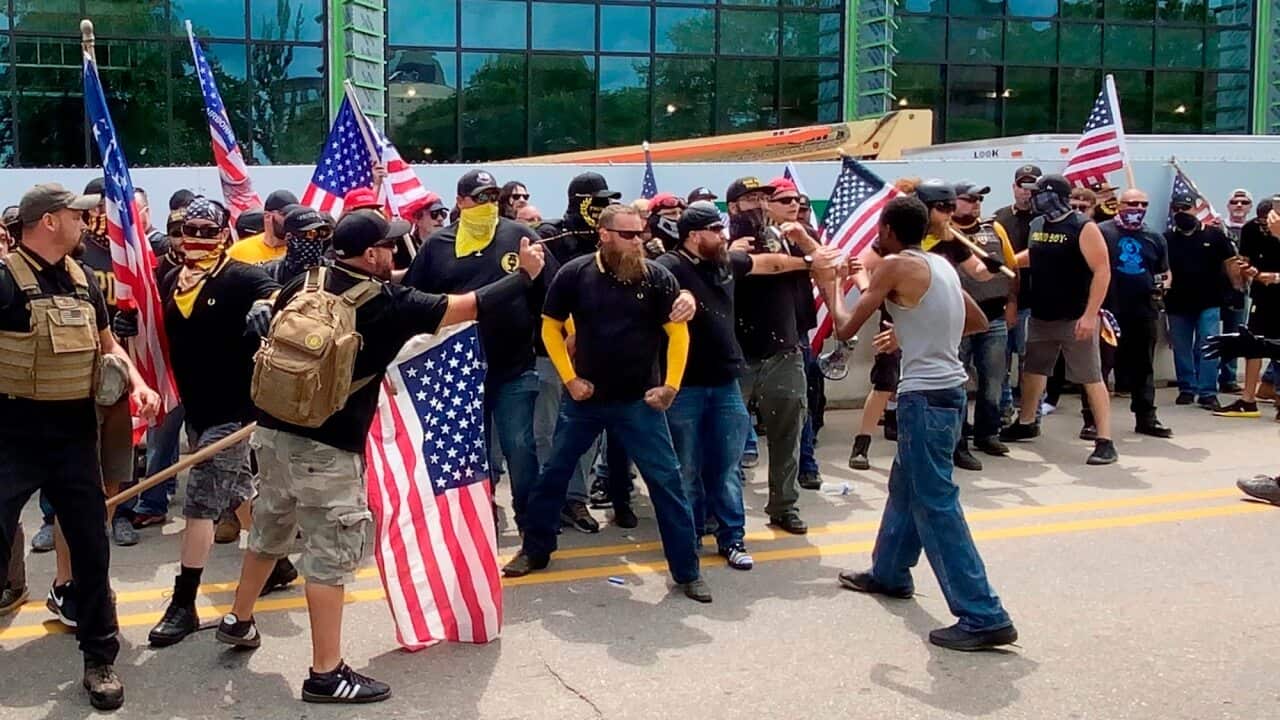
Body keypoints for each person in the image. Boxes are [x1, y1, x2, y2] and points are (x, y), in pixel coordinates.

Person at [216, 208, 545, 704]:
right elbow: (472, 305)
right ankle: (326, 673)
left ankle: (238, 620)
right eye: (388, 246)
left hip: (273, 435)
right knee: (328, 559)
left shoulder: (308, 280)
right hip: (326, 450)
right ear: (371, 254)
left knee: (268, 531)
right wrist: (524, 276)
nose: (394, 251)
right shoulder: (388, 303)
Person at [817, 195, 1017, 651]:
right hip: (946, 392)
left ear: (887, 229)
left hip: (923, 398)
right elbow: (977, 320)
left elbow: (846, 328)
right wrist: (912, 332)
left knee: (935, 503)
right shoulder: (938, 265)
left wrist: (827, 284)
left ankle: (984, 613)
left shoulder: (894, 265)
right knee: (906, 487)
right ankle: (889, 571)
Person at [0, 182, 162, 710]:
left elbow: (108, 343)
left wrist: (137, 383)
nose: (85, 224)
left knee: (92, 551)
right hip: (12, 436)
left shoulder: (83, 280)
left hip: (73, 435)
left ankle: (100, 658)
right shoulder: (3, 281)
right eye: (76, 215)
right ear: (48, 221)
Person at [502, 204, 712, 603]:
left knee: (667, 484)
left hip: (639, 402)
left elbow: (678, 333)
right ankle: (535, 550)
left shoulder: (657, 277)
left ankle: (688, 570)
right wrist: (569, 378)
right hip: (585, 400)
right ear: (604, 234)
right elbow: (548, 327)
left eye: (641, 234)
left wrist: (670, 386)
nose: (638, 242)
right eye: (628, 235)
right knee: (553, 477)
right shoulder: (575, 274)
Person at [125, 197, 287, 648]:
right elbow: (140, 307)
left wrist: (270, 305)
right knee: (235, 492)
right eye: (187, 230)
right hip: (197, 411)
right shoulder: (170, 278)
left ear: (223, 234)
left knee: (200, 501)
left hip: (236, 414)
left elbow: (284, 291)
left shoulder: (238, 276)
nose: (196, 239)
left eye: (206, 230)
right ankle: (280, 563)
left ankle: (184, 602)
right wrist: (125, 321)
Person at [657, 201, 824, 570]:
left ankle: (731, 539)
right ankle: (690, 536)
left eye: (721, 229)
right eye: (714, 231)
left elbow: (770, 264)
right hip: (684, 386)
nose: (722, 235)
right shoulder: (668, 268)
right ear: (693, 235)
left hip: (725, 383)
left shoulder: (725, 262)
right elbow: (653, 301)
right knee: (686, 467)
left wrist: (810, 263)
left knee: (727, 465)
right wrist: (680, 299)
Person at [405, 169, 554, 533]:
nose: (488, 204)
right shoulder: (437, 245)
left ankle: (533, 532)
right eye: (479, 197)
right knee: (468, 456)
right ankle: (474, 527)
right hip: (457, 372)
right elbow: (414, 303)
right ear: (460, 201)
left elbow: (550, 294)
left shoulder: (520, 235)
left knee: (520, 449)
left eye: (493, 197)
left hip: (513, 367)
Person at [1000, 174, 1117, 465]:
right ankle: (1027, 422)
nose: (1032, 197)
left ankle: (1105, 440)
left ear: (1052, 195)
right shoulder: (1038, 225)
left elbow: (1102, 271)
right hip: (1042, 315)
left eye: (1037, 193)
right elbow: (1037, 255)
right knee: (1034, 372)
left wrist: (1090, 316)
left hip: (1074, 317)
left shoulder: (1082, 227)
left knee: (1090, 377)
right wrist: (1010, 261)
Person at [730, 176, 821, 531]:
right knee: (728, 443)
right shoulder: (718, 239)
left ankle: (784, 506)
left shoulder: (785, 237)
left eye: (764, 199)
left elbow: (825, 262)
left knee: (788, 434)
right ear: (734, 206)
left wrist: (802, 241)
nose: (759, 205)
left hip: (784, 347)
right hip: (736, 354)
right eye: (750, 199)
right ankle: (724, 514)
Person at [951, 180, 1020, 456]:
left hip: (994, 317)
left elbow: (1012, 268)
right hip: (959, 319)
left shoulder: (994, 229)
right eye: (969, 199)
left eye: (979, 199)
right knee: (956, 381)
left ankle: (988, 433)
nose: (976, 203)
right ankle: (957, 439)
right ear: (953, 201)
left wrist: (1013, 304)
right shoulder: (944, 235)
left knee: (993, 379)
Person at [1099, 188, 1173, 437]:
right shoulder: (1102, 232)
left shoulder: (1154, 237)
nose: (1138, 209)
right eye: (1132, 203)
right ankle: (1093, 420)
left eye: (1143, 204)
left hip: (1143, 311)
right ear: (1119, 205)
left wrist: (1163, 286)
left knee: (1143, 367)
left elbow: (1164, 271)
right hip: (1108, 310)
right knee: (1101, 367)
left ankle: (1146, 418)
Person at [1161, 190, 1236, 412]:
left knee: (1209, 346)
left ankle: (1207, 393)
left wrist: (1236, 290)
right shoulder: (1166, 239)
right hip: (1177, 303)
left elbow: (1231, 263)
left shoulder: (1214, 235)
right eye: (1177, 209)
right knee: (1182, 349)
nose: (1182, 213)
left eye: (1186, 208)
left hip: (1209, 302)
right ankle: (1187, 388)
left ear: (1196, 209)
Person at [1218, 193, 1280, 419]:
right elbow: (1245, 258)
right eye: (1264, 220)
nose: (1267, 225)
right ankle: (1248, 399)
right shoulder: (1252, 229)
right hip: (1263, 295)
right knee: (1254, 342)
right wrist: (1246, 271)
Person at [994, 164, 1040, 423]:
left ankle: (1029, 412)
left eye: (1033, 187)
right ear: (1014, 188)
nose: (1027, 192)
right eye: (1023, 186)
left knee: (1030, 361)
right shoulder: (1000, 219)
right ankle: (1004, 409)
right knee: (999, 361)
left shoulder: (1046, 221)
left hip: (1036, 303)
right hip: (1004, 301)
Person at [1218, 189, 1253, 393]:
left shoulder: (1254, 230)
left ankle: (1228, 378)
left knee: (1235, 333)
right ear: (1228, 205)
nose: (1239, 205)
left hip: (1242, 289)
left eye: (1244, 202)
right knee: (1211, 335)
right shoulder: (1218, 227)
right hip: (1218, 288)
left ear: (1249, 206)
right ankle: (1206, 378)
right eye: (1234, 201)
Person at [262, 205, 334, 284]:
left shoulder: (333, 271)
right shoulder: (271, 271)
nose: (315, 239)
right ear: (289, 237)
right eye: (310, 234)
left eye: (321, 233)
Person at [228, 189, 297, 264]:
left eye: (294, 214)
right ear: (267, 216)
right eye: (285, 214)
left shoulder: (301, 250)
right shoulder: (238, 251)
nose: (291, 219)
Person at [396, 193, 448, 270]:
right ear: (417, 219)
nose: (440, 219)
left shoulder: (450, 247)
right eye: (434, 214)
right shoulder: (404, 247)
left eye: (443, 214)